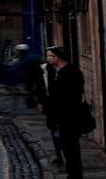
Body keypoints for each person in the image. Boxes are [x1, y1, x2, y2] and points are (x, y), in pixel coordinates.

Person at [37, 46, 84, 178]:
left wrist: (57, 120)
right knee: (69, 150)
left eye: (53, 56)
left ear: (58, 58)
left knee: (71, 150)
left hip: (67, 120)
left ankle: (74, 175)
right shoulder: (67, 72)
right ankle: (73, 174)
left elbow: (64, 100)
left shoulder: (67, 74)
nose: (51, 59)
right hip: (67, 119)